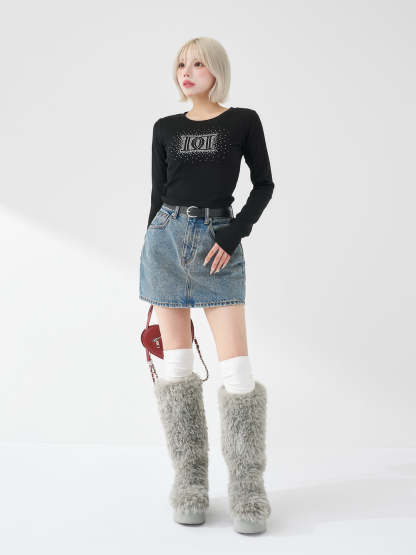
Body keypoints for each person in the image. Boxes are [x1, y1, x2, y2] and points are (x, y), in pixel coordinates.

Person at [139, 36, 275, 534]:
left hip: (219, 241)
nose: (187, 71)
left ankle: (247, 487)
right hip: (165, 240)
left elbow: (263, 184)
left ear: (216, 70)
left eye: (197, 63)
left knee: (236, 369)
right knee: (176, 366)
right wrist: (152, 258)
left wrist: (234, 233)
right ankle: (190, 482)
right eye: (181, 63)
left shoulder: (243, 121)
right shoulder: (165, 127)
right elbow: (157, 196)